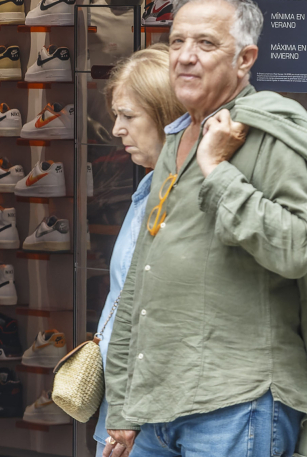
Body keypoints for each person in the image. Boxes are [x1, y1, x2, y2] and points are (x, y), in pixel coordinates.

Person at [103, 0, 307, 457]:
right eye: (177, 42)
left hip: (237, 404)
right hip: (156, 407)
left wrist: (216, 170)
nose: (186, 57)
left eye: (206, 44)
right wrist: (123, 406)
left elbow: (296, 250)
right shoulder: (176, 141)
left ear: (245, 59)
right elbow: (139, 285)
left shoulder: (272, 133)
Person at [94, 44, 185, 457]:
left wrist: (126, 409)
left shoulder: (186, 196)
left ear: (168, 117)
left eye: (128, 116)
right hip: (129, 402)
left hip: (153, 407)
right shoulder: (148, 188)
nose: (116, 129)